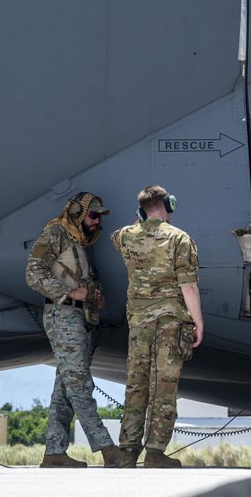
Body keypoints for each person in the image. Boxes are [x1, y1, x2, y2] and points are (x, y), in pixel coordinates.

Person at [25, 191, 124, 468]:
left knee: (65, 389)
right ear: (78, 213)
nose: (97, 222)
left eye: (99, 217)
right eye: (93, 215)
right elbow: (33, 272)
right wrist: (70, 293)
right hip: (62, 316)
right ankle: (107, 449)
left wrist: (93, 295)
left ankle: (54, 452)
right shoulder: (55, 233)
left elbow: (81, 280)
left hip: (80, 319)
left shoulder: (81, 241)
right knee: (79, 384)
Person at [110, 185, 203, 468]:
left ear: (142, 210)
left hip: (139, 322)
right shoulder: (180, 239)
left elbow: (122, 233)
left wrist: (143, 220)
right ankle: (154, 452)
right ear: (169, 205)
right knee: (164, 385)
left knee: (136, 384)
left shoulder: (126, 236)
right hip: (170, 322)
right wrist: (197, 321)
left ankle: (127, 451)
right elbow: (188, 286)